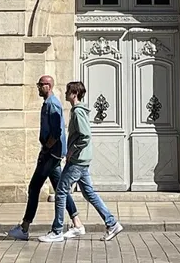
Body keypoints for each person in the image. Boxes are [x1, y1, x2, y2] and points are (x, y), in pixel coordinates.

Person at [40, 81, 124, 243]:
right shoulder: (78, 111)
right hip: (82, 159)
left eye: (67, 92)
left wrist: (71, 151)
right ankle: (111, 223)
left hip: (77, 160)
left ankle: (57, 230)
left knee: (61, 191)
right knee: (88, 193)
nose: (65, 94)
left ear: (74, 94)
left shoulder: (78, 112)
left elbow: (85, 136)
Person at [8, 75, 79, 241]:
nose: (38, 87)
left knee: (34, 187)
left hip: (51, 154)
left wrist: (46, 148)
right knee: (60, 188)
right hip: (52, 153)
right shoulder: (49, 103)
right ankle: (77, 222)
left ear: (48, 86)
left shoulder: (52, 104)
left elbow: (56, 131)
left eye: (40, 85)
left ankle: (25, 227)